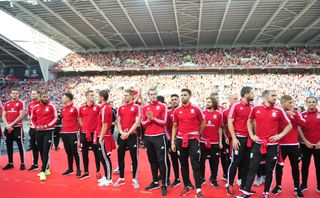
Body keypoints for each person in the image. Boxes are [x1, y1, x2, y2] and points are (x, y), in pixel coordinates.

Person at [237, 90, 292, 198]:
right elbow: (249, 121)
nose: (275, 97)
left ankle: (266, 193)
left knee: (269, 170)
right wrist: (252, 135)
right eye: (273, 95)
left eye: (276, 95)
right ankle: (246, 192)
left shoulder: (279, 110)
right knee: (252, 168)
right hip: (258, 144)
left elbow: (289, 125)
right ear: (265, 96)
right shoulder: (256, 108)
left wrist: (279, 136)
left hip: (272, 146)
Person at [171, 88, 206, 198]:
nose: (182, 97)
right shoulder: (177, 111)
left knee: (195, 163)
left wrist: (197, 134)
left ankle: (199, 189)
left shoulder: (196, 109)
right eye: (181, 95)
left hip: (192, 139)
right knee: (183, 163)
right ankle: (187, 185)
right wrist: (173, 141)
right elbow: (175, 126)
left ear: (190, 96)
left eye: (185, 95)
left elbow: (203, 122)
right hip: (180, 139)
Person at [271, 95, 305, 198]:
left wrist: (295, 116)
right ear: (283, 102)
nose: (292, 104)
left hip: (293, 145)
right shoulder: (277, 112)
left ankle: (297, 188)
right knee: (279, 166)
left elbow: (304, 124)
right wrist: (285, 114)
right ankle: (278, 186)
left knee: (295, 166)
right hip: (280, 145)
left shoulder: (296, 113)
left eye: (292, 102)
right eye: (289, 102)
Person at [226, 87, 254, 196]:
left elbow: (253, 122)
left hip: (249, 138)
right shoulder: (235, 105)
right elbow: (230, 121)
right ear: (246, 94)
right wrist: (234, 138)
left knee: (246, 163)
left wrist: (253, 136)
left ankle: (243, 185)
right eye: (252, 93)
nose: (253, 95)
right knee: (235, 162)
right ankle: (230, 184)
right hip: (238, 137)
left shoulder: (252, 107)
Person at [142, 88, 169, 196]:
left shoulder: (162, 106)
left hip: (159, 137)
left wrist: (153, 118)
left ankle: (164, 184)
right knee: (152, 160)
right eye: (151, 94)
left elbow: (164, 122)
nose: (153, 96)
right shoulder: (146, 108)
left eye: (154, 94)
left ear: (157, 95)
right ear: (148, 96)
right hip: (148, 137)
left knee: (162, 161)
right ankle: (155, 181)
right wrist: (149, 120)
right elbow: (143, 123)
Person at [113, 89, 141, 189]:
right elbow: (118, 121)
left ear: (131, 96)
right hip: (122, 136)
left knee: (134, 158)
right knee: (120, 157)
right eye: (124, 95)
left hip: (132, 135)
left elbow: (137, 122)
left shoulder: (137, 107)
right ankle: (121, 178)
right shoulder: (120, 107)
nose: (124, 97)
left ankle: (134, 179)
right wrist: (121, 132)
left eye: (126, 95)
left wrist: (128, 133)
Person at [30, 91, 57, 181]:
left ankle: (42, 171)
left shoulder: (51, 106)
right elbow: (32, 119)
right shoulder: (35, 107)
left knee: (46, 151)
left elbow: (55, 118)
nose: (46, 98)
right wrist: (36, 127)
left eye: (47, 97)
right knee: (41, 150)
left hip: (48, 131)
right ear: (40, 97)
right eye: (44, 97)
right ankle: (47, 169)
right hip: (38, 131)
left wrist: (46, 126)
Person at [200, 97, 223, 188]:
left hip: (215, 142)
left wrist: (220, 141)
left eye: (209, 102)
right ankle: (201, 178)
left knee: (215, 161)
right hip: (203, 141)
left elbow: (220, 128)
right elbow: (199, 127)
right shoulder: (202, 113)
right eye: (207, 101)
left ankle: (213, 178)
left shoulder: (218, 114)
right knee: (201, 161)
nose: (207, 103)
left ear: (213, 103)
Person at [78, 90, 101, 180]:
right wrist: (83, 126)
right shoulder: (82, 108)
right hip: (84, 133)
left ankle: (98, 171)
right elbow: (80, 117)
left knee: (97, 153)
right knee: (84, 152)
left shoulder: (97, 107)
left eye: (93, 95)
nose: (93, 96)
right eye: (91, 95)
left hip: (94, 134)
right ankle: (86, 172)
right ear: (86, 96)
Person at [299, 96, 320, 193]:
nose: (311, 103)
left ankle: (319, 186)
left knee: (319, 166)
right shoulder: (302, 115)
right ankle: (303, 184)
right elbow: (299, 129)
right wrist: (305, 141)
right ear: (306, 103)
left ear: (316, 103)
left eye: (313, 102)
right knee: (305, 165)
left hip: (319, 145)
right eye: (309, 102)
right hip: (305, 145)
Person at [2, 88, 25, 171]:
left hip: (17, 127)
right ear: (10, 94)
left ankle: (22, 163)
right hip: (8, 127)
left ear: (18, 94)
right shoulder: (7, 104)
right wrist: (7, 125)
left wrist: (11, 124)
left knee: (20, 146)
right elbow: (3, 115)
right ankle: (10, 163)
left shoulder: (21, 103)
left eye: (16, 93)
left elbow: (21, 115)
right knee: (9, 145)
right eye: (13, 93)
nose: (14, 94)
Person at [96, 90, 116, 187]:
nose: (97, 98)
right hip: (102, 135)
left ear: (102, 97)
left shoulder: (105, 108)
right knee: (102, 157)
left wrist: (101, 137)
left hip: (103, 136)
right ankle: (106, 175)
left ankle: (109, 179)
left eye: (98, 96)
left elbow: (105, 124)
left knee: (105, 158)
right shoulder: (104, 107)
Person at [60, 92, 81, 177]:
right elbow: (63, 120)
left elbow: (79, 120)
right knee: (68, 152)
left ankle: (78, 169)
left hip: (73, 133)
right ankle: (70, 169)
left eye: (64, 97)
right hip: (64, 133)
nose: (62, 99)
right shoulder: (63, 109)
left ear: (68, 98)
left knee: (74, 151)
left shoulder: (75, 108)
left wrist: (77, 129)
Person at [166, 94, 181, 188]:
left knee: (184, 161)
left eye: (175, 99)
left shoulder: (182, 111)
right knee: (174, 160)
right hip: (173, 141)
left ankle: (187, 181)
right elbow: (167, 128)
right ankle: (177, 179)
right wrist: (171, 140)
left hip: (183, 140)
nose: (174, 101)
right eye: (172, 100)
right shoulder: (168, 113)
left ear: (179, 100)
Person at [27, 90, 41, 171]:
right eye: (31, 94)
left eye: (34, 93)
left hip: (40, 129)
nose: (32, 95)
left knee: (42, 148)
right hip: (32, 128)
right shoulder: (29, 104)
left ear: (38, 94)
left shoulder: (41, 103)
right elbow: (30, 115)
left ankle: (46, 166)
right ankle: (35, 164)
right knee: (34, 147)